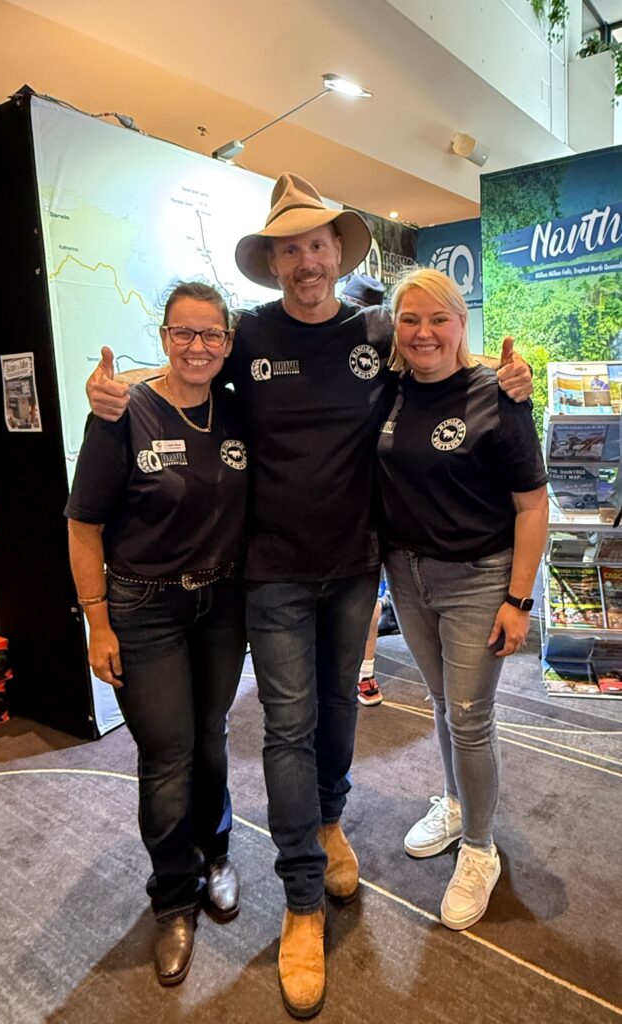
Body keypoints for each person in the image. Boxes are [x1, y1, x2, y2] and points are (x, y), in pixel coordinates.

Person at [86, 173, 533, 1018]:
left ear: (337, 252)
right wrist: (117, 389)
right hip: (274, 573)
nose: (304, 261)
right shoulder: (247, 336)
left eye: (316, 245)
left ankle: (330, 822)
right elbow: (186, 367)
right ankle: (299, 900)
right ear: (275, 261)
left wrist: (507, 381)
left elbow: (443, 358)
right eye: (288, 249)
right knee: (286, 725)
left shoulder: (376, 329)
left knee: (337, 710)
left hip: (356, 567)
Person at [67, 282, 248, 987]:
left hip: (223, 604)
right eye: (184, 332)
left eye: (212, 334)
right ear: (164, 334)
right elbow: (83, 526)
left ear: (228, 343)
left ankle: (217, 853)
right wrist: (97, 622)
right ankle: (174, 897)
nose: (198, 346)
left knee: (212, 738)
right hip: (145, 609)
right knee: (168, 754)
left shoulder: (237, 412)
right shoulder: (122, 413)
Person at [377, 267, 548, 931]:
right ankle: (454, 804)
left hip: (479, 578)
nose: (424, 333)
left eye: (438, 319)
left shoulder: (497, 394)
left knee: (471, 713)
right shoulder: (389, 389)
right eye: (411, 319)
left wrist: (519, 600)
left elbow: (533, 507)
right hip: (408, 576)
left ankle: (480, 849)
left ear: (461, 323)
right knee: (444, 703)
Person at [340, 274, 387, 708]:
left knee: (369, 599)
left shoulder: (389, 349)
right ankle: (362, 675)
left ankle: (365, 673)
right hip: (346, 505)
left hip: (381, 503)